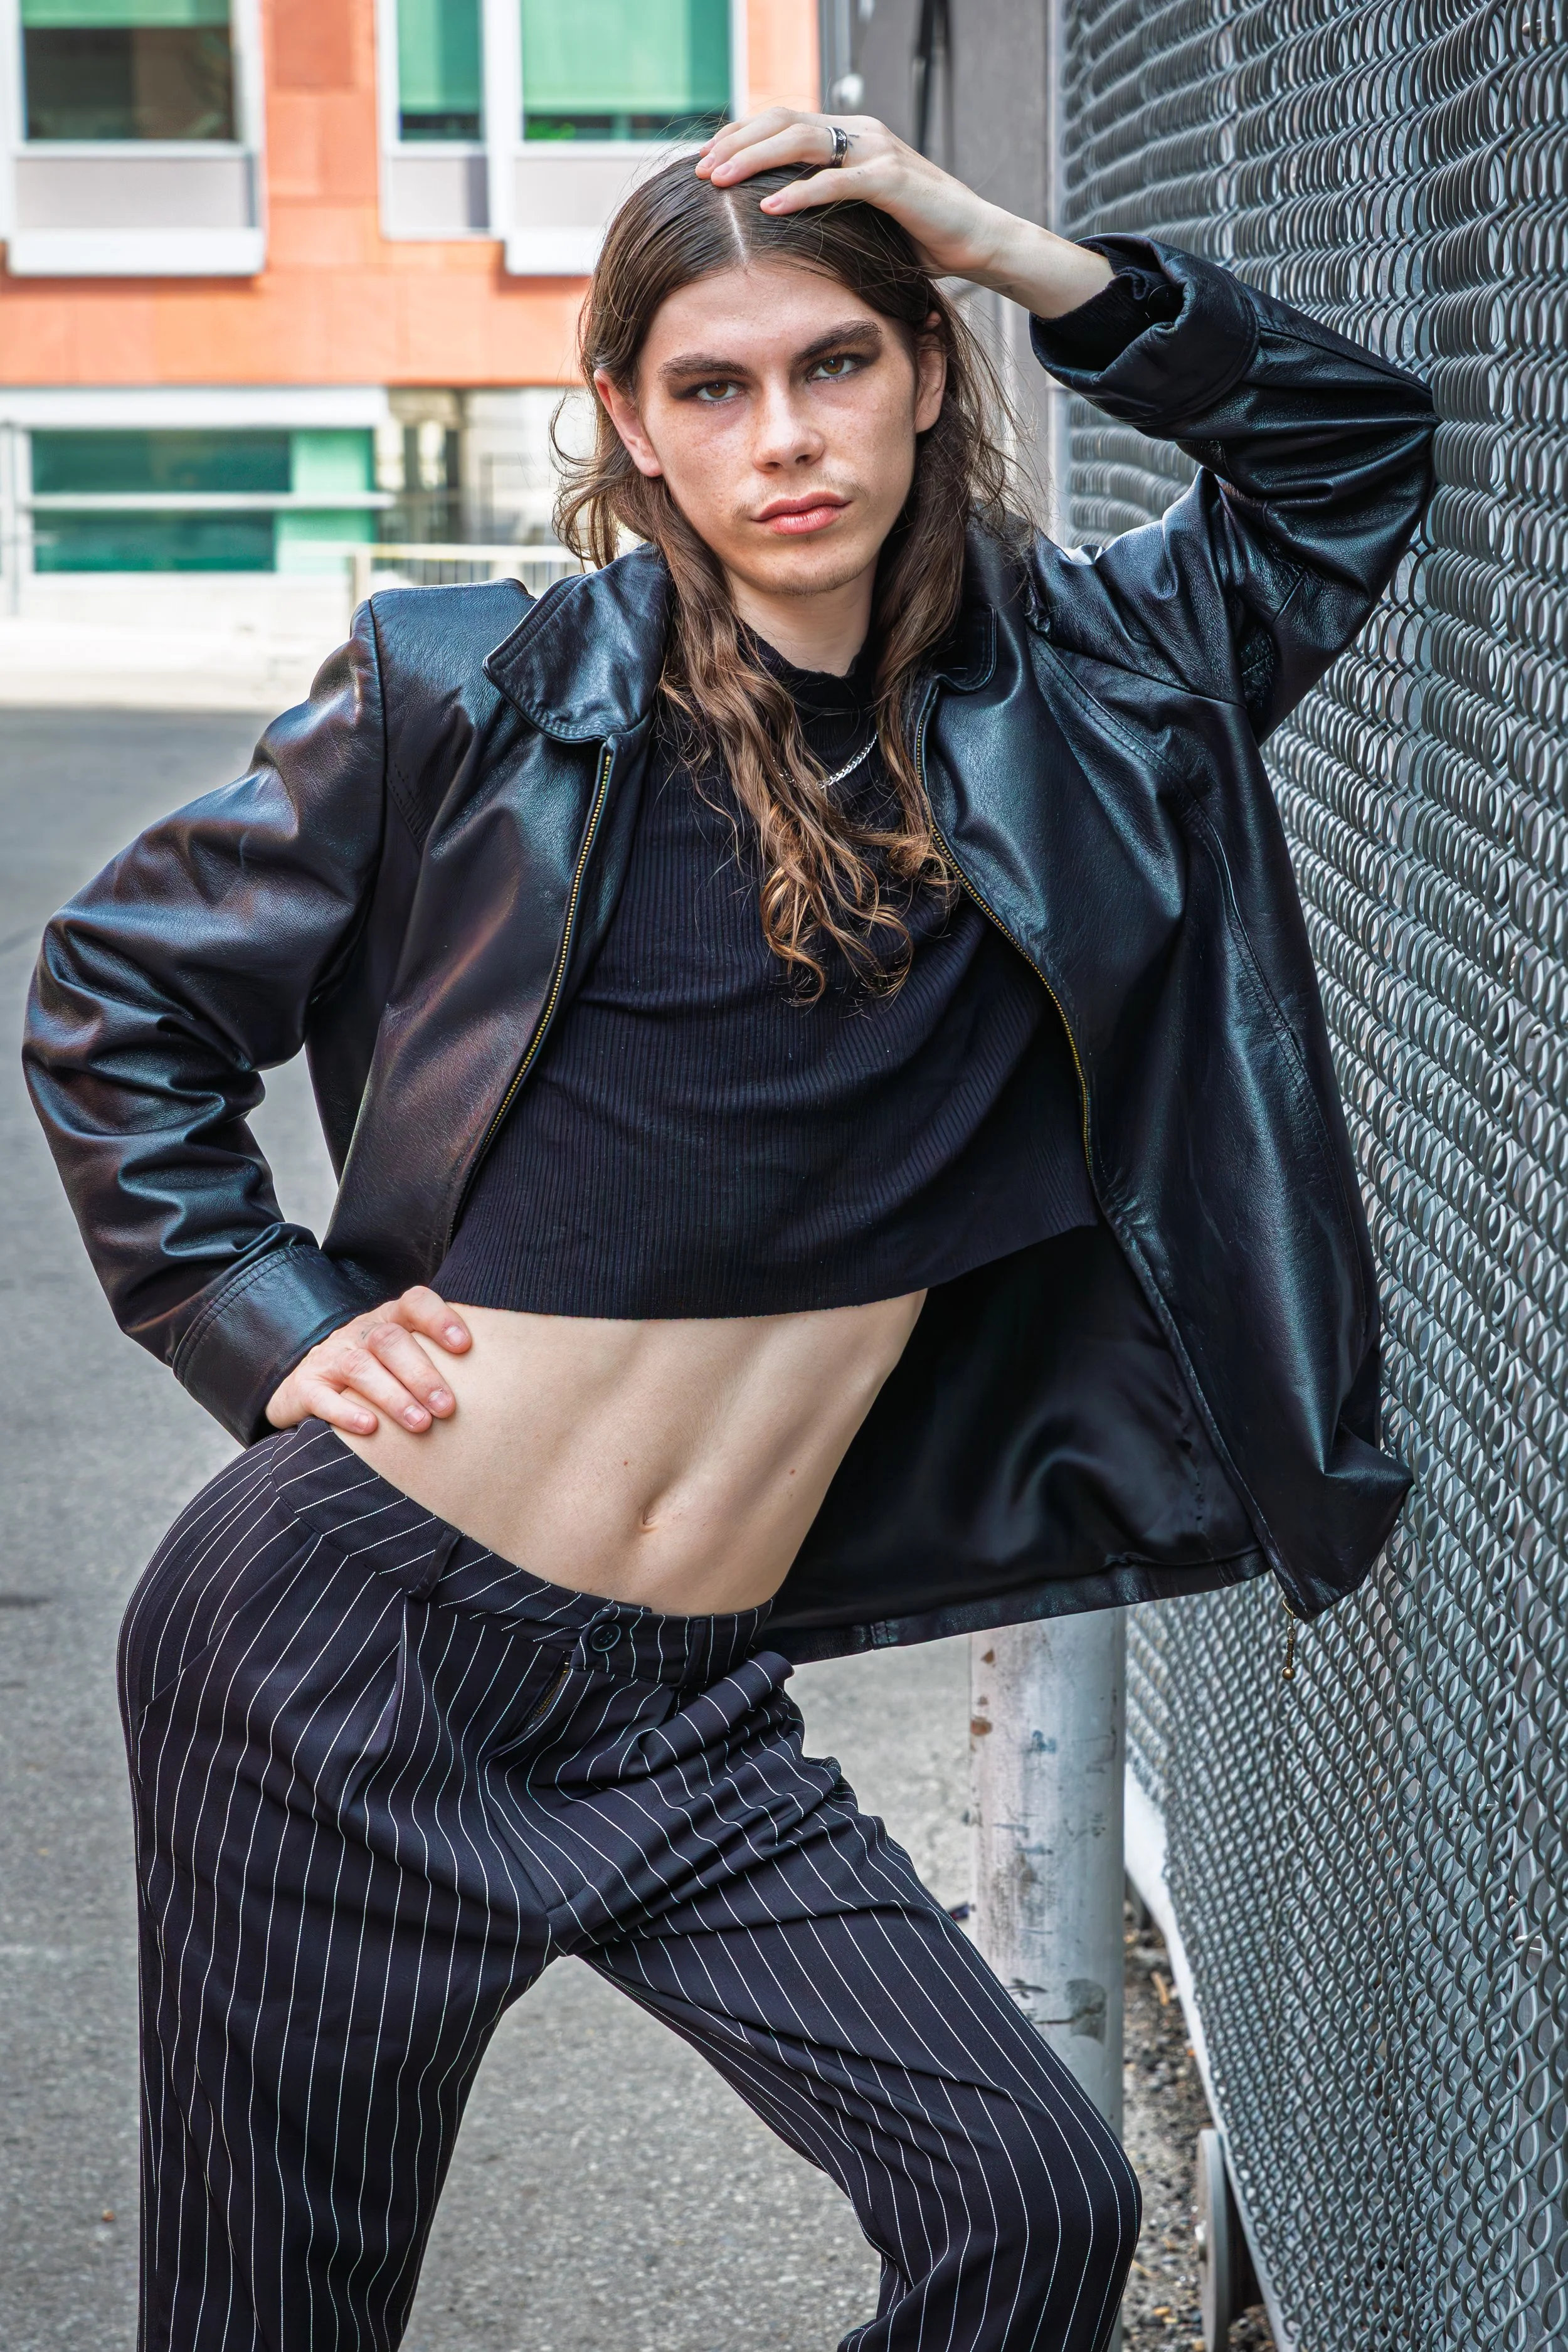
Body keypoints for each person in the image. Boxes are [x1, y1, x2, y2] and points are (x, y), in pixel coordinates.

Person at [24, 107, 1434, 2352]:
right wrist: (240, 1303)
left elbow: (1356, 453)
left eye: (837, 364)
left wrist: (1013, 247)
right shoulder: (474, 690)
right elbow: (121, 994)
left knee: (1029, 2208)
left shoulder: (1100, 693)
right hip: (337, 1653)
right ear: (630, 423)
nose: (784, 436)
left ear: (926, 373)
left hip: (681, 1704)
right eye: (712, 386)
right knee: (271, 2317)